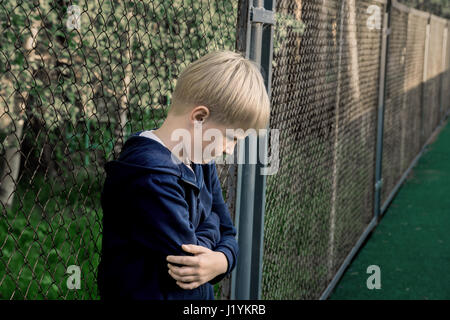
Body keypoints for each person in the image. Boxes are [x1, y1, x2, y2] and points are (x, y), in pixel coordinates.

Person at [97, 49, 271, 299]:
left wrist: (222, 260)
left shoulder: (199, 160)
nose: (230, 149)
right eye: (231, 138)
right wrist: (213, 228)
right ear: (200, 118)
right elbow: (189, 262)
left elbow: (229, 232)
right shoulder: (150, 176)